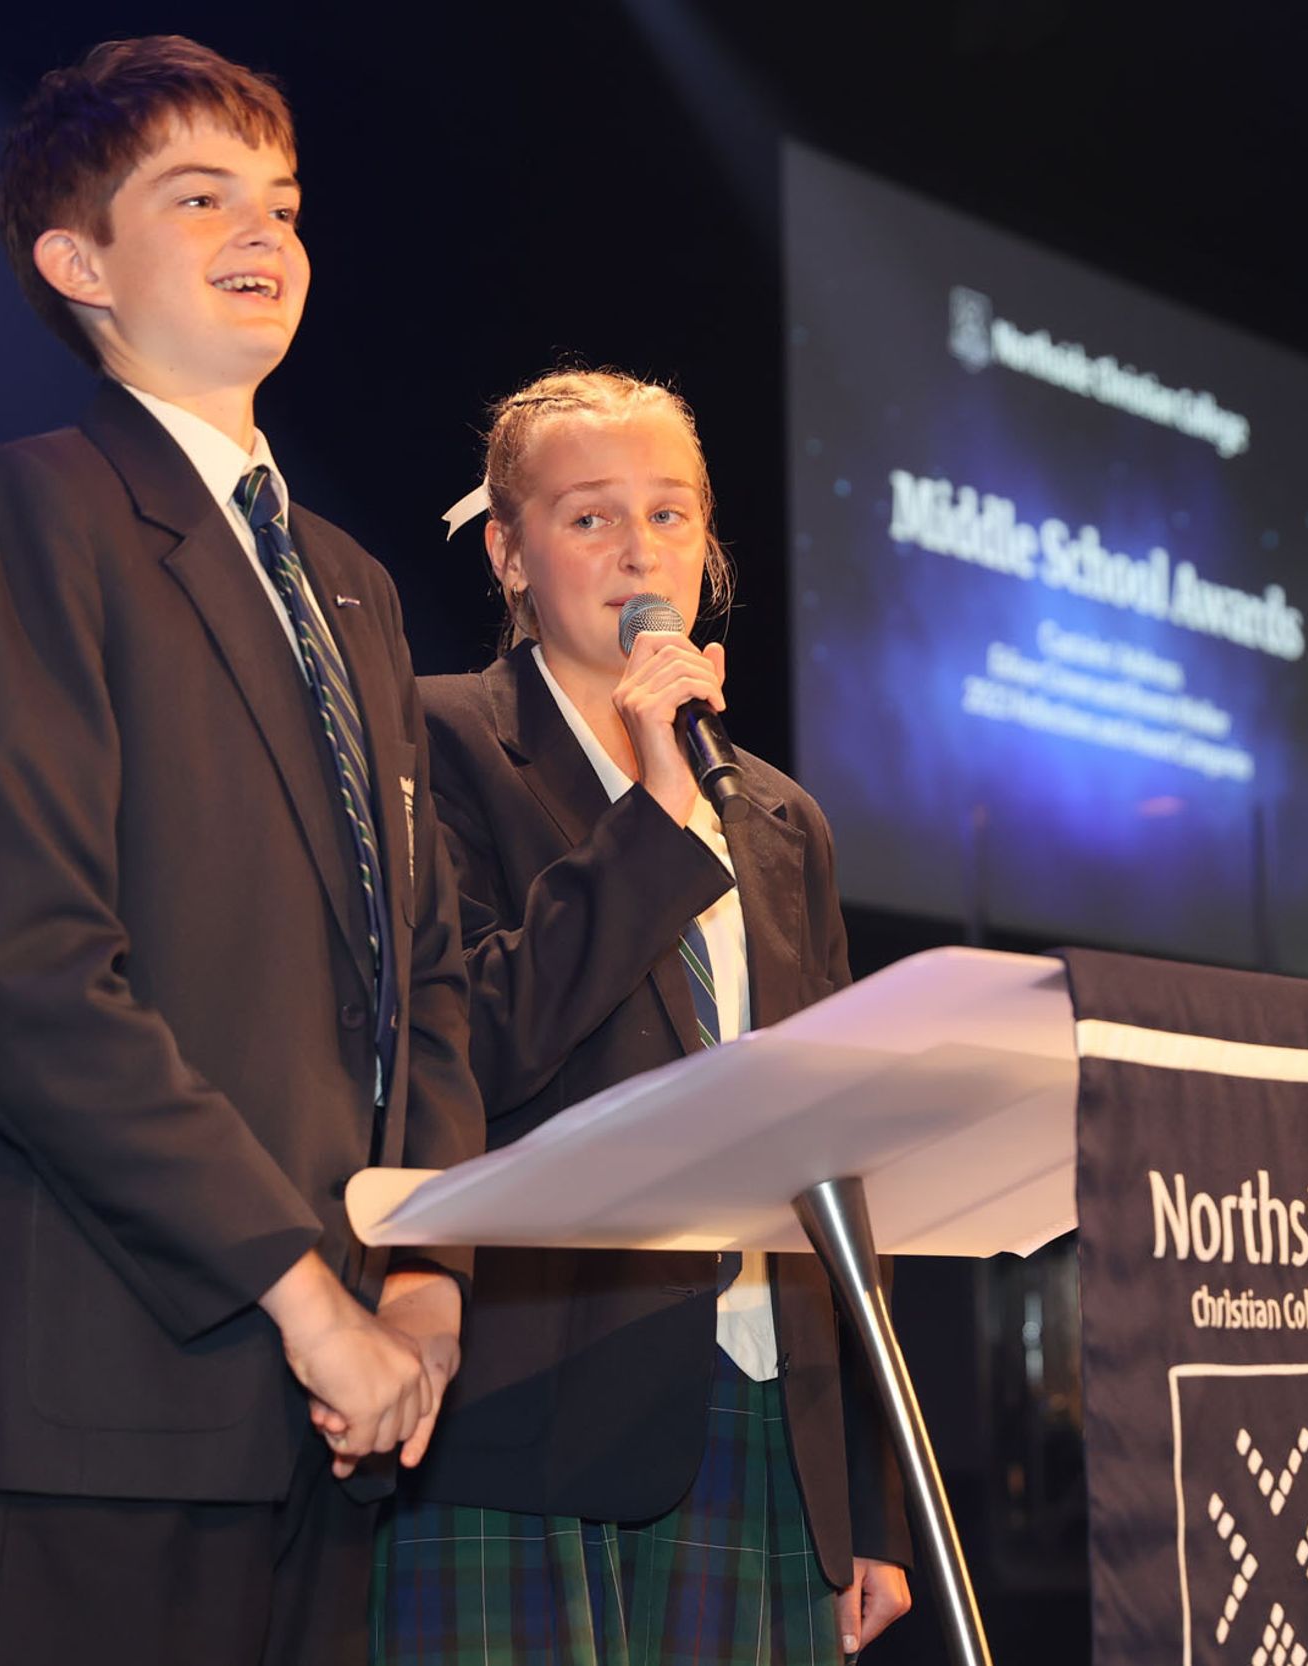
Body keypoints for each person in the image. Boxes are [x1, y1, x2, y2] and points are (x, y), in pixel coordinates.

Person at [0, 36, 482, 1666]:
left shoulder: (352, 583)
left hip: (348, 1407)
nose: (264, 231)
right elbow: (29, 979)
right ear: (77, 264)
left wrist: (424, 1276)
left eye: (281, 201)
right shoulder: (35, 512)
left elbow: (424, 978)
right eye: (201, 196)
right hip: (117, 1388)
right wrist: (304, 1294)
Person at [377, 370, 914, 1663]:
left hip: (767, 1409)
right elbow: (474, 1042)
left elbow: (833, 1149)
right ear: (510, 555)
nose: (638, 551)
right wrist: (654, 816)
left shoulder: (778, 817)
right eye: (590, 517)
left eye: (670, 514)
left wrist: (868, 1493)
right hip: (537, 1411)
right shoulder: (436, 742)